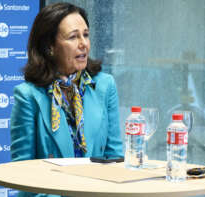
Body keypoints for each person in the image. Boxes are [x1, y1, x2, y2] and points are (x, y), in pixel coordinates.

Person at [10, 2, 123, 197]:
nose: (83, 44)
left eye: (85, 35)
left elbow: (115, 159)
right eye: (73, 37)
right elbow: (22, 176)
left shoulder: (105, 86)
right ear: (50, 47)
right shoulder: (28, 96)